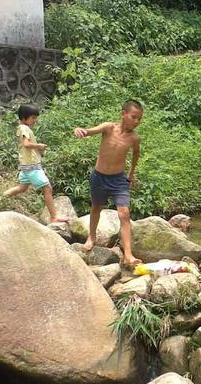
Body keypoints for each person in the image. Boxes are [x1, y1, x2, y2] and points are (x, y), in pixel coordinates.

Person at [73, 99, 143, 266]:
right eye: (133, 117)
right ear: (123, 114)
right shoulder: (108, 128)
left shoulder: (134, 138)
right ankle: (91, 236)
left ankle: (128, 255)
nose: (136, 121)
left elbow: (135, 155)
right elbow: (90, 131)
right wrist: (80, 130)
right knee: (97, 207)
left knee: (124, 213)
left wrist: (131, 174)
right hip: (99, 177)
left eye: (139, 119)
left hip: (119, 179)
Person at [4, 104, 68, 223]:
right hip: (31, 166)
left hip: (26, 165)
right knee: (47, 187)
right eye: (32, 117)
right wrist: (38, 146)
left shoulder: (22, 128)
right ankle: (54, 217)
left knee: (21, 188)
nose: (35, 120)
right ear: (24, 118)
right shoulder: (24, 129)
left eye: (35, 117)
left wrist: (38, 149)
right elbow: (26, 145)